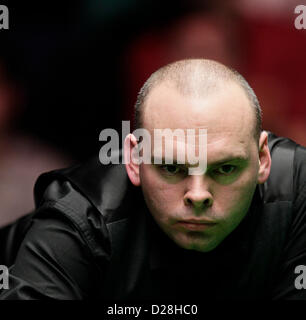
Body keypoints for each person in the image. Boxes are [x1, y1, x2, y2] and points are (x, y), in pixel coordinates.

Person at [1, 59, 306, 300]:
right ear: (134, 159)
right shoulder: (80, 217)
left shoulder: (298, 184)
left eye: (225, 168)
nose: (198, 195)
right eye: (171, 168)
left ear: (262, 159)